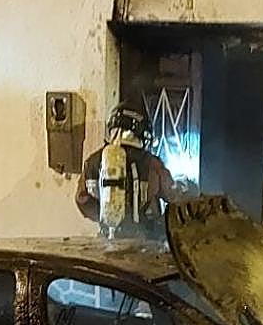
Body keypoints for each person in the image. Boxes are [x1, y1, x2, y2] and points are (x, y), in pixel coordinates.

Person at [75, 102, 183, 241]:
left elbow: (81, 199)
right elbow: (171, 195)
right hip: (143, 240)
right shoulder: (151, 163)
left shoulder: (93, 161)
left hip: (108, 238)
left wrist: (104, 215)